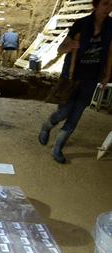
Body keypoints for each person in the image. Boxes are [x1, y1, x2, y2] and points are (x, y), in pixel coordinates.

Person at [38, 0, 112, 164]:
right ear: (96, 5)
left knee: (76, 115)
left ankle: (57, 148)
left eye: (111, 4)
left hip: (91, 78)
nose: (109, 8)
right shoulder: (81, 24)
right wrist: (70, 45)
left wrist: (107, 73)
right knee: (64, 112)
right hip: (72, 75)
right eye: (105, 4)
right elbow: (60, 49)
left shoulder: (110, 26)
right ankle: (47, 126)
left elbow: (109, 51)